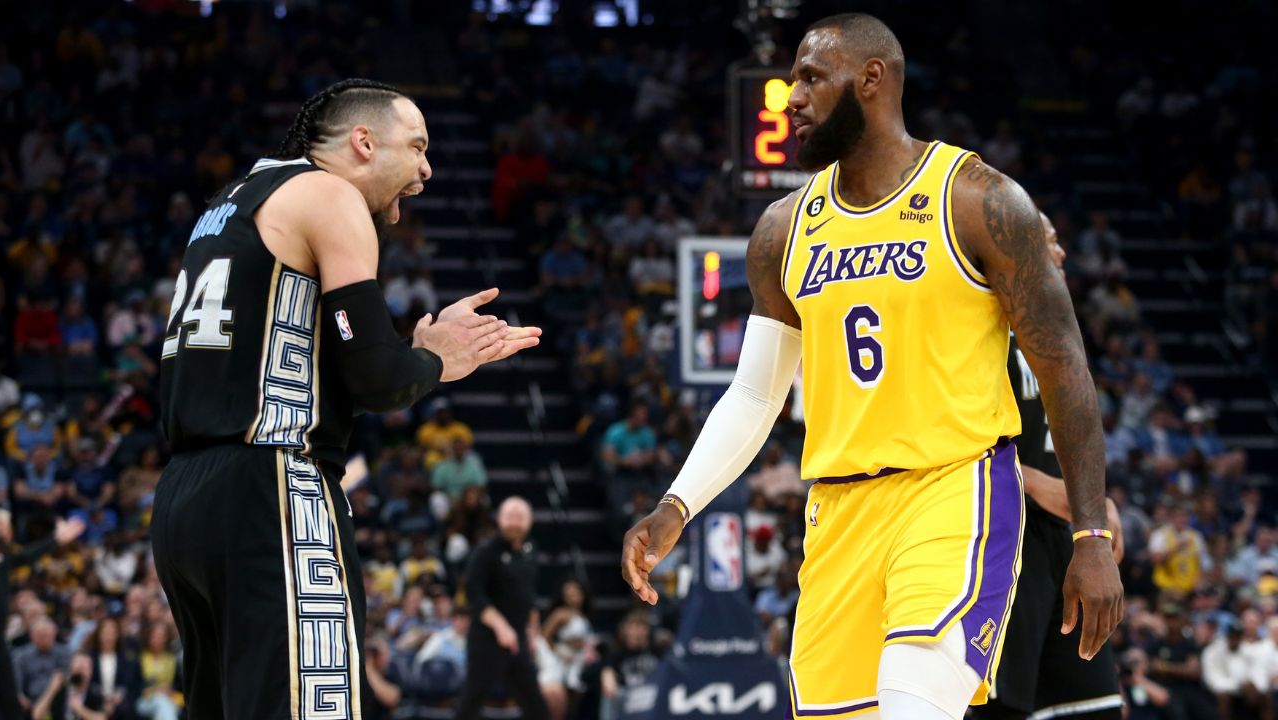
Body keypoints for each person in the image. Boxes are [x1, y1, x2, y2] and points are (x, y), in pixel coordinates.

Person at [621, 14, 1121, 720]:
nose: (791, 97)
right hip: (838, 513)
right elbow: (755, 395)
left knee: (914, 704)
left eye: (810, 77)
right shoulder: (783, 229)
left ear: (872, 79)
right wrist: (678, 504)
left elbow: (1066, 369)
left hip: (955, 491)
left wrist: (1091, 534)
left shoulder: (977, 199)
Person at [149, 79, 541, 720]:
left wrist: (416, 353)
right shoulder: (330, 194)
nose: (426, 169)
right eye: (416, 147)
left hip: (186, 500)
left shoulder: (230, 204)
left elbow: (315, 376)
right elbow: (379, 380)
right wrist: (438, 359)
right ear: (363, 142)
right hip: (271, 484)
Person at [974, 213, 1124, 720]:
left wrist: (1094, 507)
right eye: (1047, 240)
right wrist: (1040, 484)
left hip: (1061, 537)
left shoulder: (1048, 335)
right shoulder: (977, 333)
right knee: (1000, 707)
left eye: (1059, 241)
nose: (1059, 253)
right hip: (1003, 534)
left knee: (1095, 705)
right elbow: (943, 440)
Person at [455, 496, 548, 720]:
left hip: (518, 639)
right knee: (472, 700)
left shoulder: (530, 549)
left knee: (535, 705)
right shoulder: (485, 551)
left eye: (520, 517)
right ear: (499, 519)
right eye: (510, 517)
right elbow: (474, 594)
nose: (515, 523)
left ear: (530, 521)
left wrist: (532, 630)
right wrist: (500, 627)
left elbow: (529, 594)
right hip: (487, 639)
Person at [0, 511, 85, 720]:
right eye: (3, 526)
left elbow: (27, 556)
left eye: (8, 527)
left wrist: (56, 539)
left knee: (11, 706)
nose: (8, 532)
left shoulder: (3, 561)